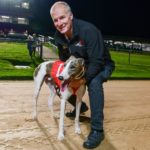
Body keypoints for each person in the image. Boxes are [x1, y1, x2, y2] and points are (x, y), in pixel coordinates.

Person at [50, 1, 115, 149]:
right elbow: (64, 60)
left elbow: (97, 62)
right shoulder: (59, 36)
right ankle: (81, 106)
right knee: (62, 83)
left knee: (94, 82)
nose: (59, 23)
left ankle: (97, 130)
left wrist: (81, 81)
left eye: (62, 17)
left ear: (71, 16)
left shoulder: (89, 30)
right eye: (56, 20)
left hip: (101, 64)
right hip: (80, 66)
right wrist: (63, 76)